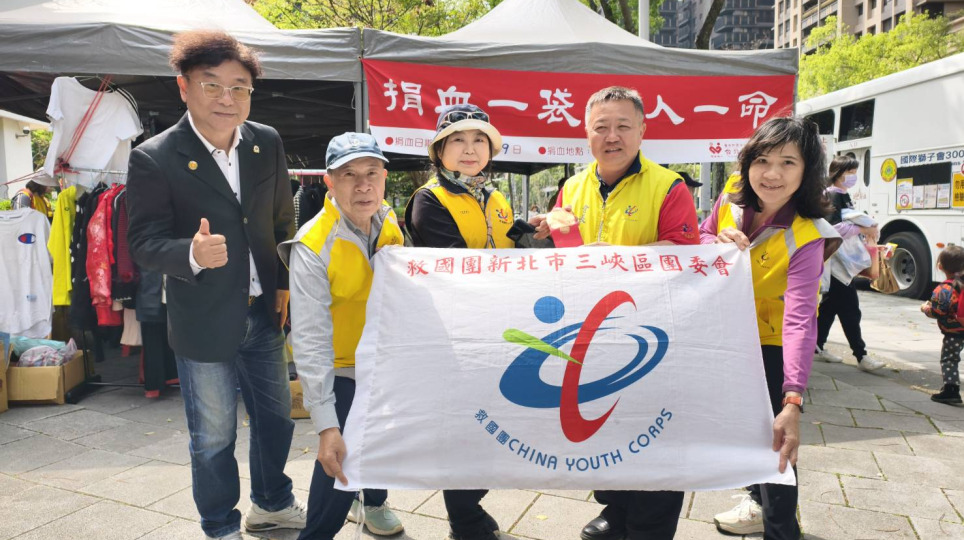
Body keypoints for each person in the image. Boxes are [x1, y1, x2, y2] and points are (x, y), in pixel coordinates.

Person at [126, 30, 302, 540]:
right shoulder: (155, 156)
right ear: (184, 87)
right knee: (213, 434)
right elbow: (143, 242)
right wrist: (190, 253)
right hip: (203, 318)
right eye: (212, 85)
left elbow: (282, 219)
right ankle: (220, 524)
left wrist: (283, 283)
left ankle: (271, 503)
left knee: (277, 419)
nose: (227, 98)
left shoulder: (265, 141)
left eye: (239, 87)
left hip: (264, 311)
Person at [534, 86, 699, 540]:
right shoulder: (571, 187)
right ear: (586, 133)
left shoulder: (669, 186)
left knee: (653, 428)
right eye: (601, 127)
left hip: (653, 332)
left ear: (642, 130)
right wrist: (551, 232)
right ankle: (617, 508)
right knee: (605, 422)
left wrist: (616, 257)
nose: (612, 136)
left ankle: (649, 525)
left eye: (623, 126)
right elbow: (568, 253)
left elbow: (686, 254)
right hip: (592, 333)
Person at [703, 117, 840, 539]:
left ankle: (781, 529)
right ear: (747, 164)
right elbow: (702, 236)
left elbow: (800, 317)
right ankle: (756, 502)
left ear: (807, 171)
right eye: (762, 160)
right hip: (727, 335)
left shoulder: (808, 234)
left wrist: (792, 399)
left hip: (773, 344)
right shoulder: (730, 194)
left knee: (777, 440)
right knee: (744, 431)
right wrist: (713, 242)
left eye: (788, 162)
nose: (772, 174)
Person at [279, 132, 406, 539]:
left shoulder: (388, 221)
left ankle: (375, 502)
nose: (363, 185)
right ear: (329, 182)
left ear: (384, 178)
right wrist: (326, 425)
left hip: (382, 359)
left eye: (372, 173)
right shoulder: (313, 245)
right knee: (340, 456)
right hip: (340, 366)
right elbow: (311, 341)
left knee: (380, 441)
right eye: (349, 175)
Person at [405, 103, 512, 540]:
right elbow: (456, 264)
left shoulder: (495, 198)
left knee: (494, 422)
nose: (470, 149)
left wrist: (536, 234)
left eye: (479, 140)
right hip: (456, 335)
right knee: (465, 427)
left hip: (499, 329)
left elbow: (511, 247)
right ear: (439, 151)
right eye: (459, 140)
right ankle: (464, 519)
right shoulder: (428, 200)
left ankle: (471, 507)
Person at [814, 155, 885, 371]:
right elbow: (834, 229)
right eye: (850, 172)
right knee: (850, 311)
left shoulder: (841, 195)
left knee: (829, 308)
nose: (853, 176)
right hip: (837, 265)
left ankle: (816, 346)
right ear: (838, 173)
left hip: (839, 263)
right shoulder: (833, 195)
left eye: (854, 172)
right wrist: (864, 228)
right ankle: (861, 355)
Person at [921, 245, 964, 404]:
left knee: (949, 360)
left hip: (954, 333)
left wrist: (926, 309)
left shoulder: (944, 289)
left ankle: (951, 390)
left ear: (940, 266)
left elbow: (937, 312)